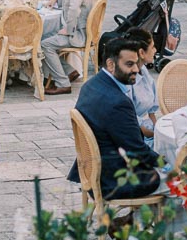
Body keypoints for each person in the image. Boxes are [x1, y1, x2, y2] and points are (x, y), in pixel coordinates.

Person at [67, 35, 161, 199]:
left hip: (91, 170)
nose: (136, 70)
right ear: (111, 64)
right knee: (180, 181)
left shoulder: (91, 85)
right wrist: (170, 165)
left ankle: (132, 219)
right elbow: (138, 152)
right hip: (113, 180)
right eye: (129, 64)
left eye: (136, 63)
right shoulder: (118, 103)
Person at [42, 0, 93, 96]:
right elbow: (71, 0)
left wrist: (68, 30)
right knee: (44, 37)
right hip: (79, 29)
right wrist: (57, 0)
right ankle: (70, 71)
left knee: (44, 45)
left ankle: (62, 83)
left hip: (78, 33)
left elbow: (74, 8)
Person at [127, 26, 160, 144]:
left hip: (148, 131)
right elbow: (131, 122)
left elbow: (152, 112)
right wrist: (156, 135)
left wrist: (158, 132)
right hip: (134, 136)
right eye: (152, 47)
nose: (155, 50)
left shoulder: (144, 70)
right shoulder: (126, 78)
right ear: (141, 52)